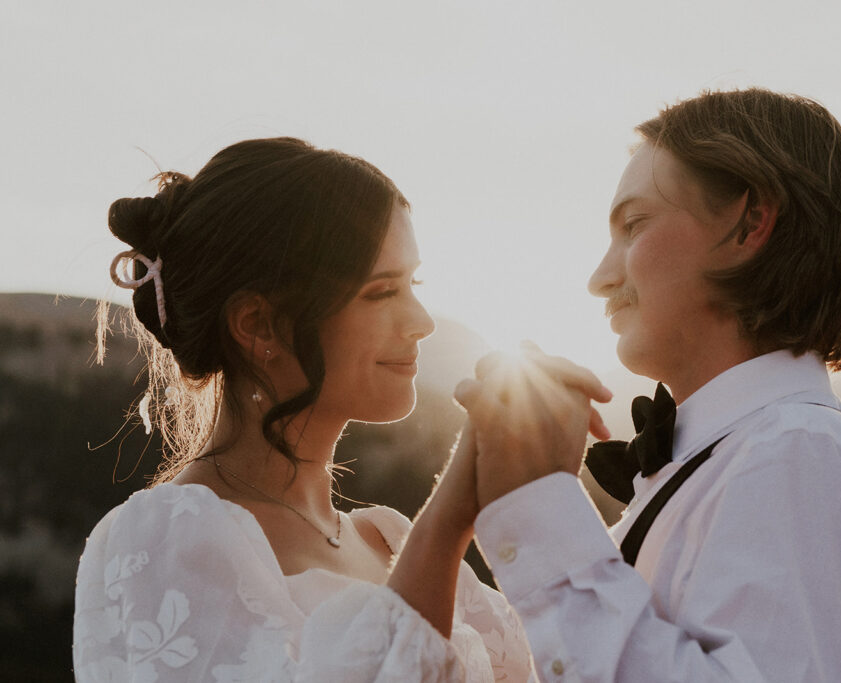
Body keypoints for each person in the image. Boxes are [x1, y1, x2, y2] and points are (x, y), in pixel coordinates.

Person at [455, 89, 841, 681]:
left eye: (634, 225)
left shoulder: (805, 453)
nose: (599, 279)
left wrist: (544, 503)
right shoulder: (744, 459)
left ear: (749, 223)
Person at [73, 137, 535, 681]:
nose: (422, 321)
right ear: (257, 324)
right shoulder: (167, 537)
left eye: (414, 283)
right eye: (382, 291)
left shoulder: (386, 536)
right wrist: (450, 515)